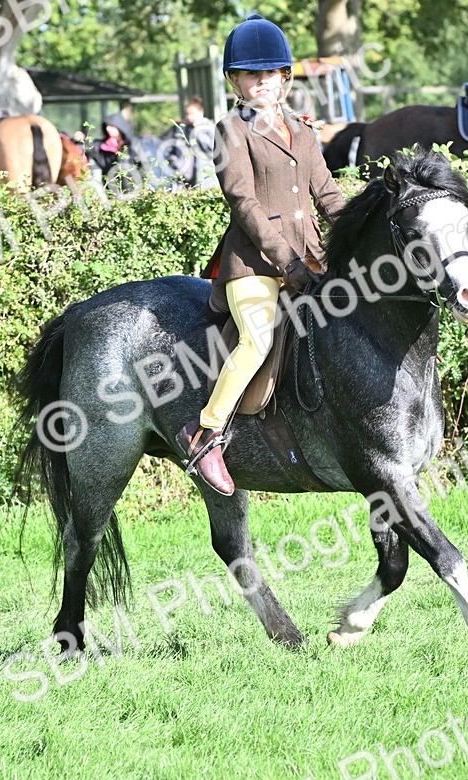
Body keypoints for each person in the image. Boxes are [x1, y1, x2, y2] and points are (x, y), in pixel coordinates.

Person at [175, 13, 345, 496]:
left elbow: (328, 194)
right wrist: (287, 262)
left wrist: (361, 226)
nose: (262, 81)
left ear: (285, 77)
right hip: (253, 263)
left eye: (270, 73)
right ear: (234, 81)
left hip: (310, 257)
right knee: (258, 337)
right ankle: (205, 433)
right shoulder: (231, 130)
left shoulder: (305, 129)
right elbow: (244, 203)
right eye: (252, 74)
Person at [166, 96, 216, 188]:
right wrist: (175, 161)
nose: (189, 117)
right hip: (184, 178)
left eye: (192, 114)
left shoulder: (209, 127)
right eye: (187, 114)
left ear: (201, 112)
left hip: (204, 178)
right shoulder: (182, 129)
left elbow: (211, 148)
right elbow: (171, 149)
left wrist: (198, 130)